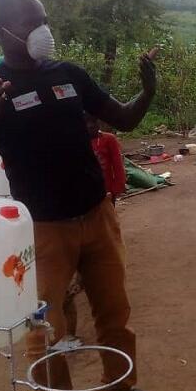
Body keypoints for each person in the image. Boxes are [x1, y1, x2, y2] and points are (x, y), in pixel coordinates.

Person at [0, 0, 171, 391]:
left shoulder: (68, 74)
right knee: (43, 325)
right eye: (31, 23)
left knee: (114, 312)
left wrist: (148, 91)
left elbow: (124, 118)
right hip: (42, 229)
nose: (43, 31)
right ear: (2, 32)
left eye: (44, 20)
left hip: (97, 214)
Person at [61, 114, 128, 342]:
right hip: (81, 198)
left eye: (93, 122)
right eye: (86, 123)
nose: (90, 126)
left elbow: (117, 164)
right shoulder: (75, 140)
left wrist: (117, 187)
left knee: (105, 230)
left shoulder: (108, 140)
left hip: (105, 195)